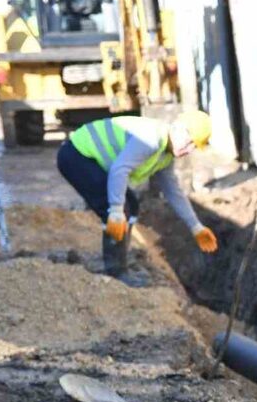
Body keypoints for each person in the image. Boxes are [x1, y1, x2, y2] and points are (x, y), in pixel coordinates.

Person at [56, 110, 219, 277]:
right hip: (76, 156)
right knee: (116, 210)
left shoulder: (166, 155)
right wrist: (116, 209)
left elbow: (173, 191)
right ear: (178, 128)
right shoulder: (151, 139)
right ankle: (117, 271)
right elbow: (120, 169)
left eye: (194, 146)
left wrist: (195, 226)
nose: (189, 149)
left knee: (132, 207)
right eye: (189, 141)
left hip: (89, 159)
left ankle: (120, 261)